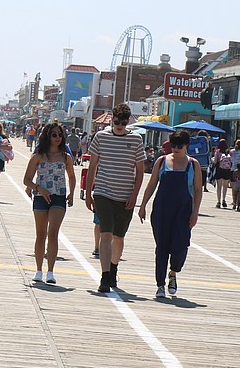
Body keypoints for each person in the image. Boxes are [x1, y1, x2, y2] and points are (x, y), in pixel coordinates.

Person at [85, 103, 145, 293]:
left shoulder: (136, 140)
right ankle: (104, 277)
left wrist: (135, 196)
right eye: (117, 121)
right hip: (103, 193)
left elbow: (140, 171)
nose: (120, 125)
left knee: (118, 238)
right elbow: (92, 167)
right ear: (112, 120)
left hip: (125, 195)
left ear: (128, 121)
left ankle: (113, 268)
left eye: (123, 122)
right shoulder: (101, 137)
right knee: (105, 234)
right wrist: (88, 194)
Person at [138, 130, 202, 298]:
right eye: (173, 145)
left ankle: (173, 273)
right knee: (162, 248)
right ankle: (160, 284)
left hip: (183, 212)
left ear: (187, 145)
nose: (176, 148)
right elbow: (152, 184)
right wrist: (143, 205)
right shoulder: (161, 162)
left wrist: (195, 212)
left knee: (180, 247)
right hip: (161, 211)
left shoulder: (193, 165)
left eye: (179, 145)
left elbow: (197, 190)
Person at [24, 123, 76, 284]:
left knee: (53, 233)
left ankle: (51, 272)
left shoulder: (66, 157)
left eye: (60, 135)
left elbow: (72, 176)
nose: (57, 137)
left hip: (58, 197)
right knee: (41, 235)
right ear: (47, 136)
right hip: (40, 197)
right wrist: (38, 188)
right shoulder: (38, 156)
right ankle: (39, 270)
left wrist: (72, 193)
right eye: (54, 135)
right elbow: (26, 179)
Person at [213, 139, 232, 208]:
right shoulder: (229, 152)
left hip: (219, 170)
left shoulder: (217, 152)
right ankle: (224, 200)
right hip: (227, 170)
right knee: (225, 186)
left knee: (219, 187)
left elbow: (215, 161)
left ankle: (218, 202)